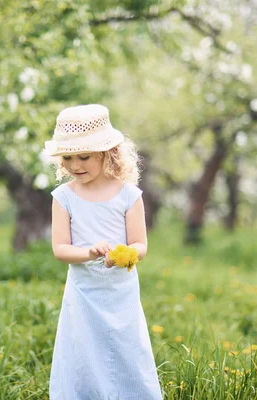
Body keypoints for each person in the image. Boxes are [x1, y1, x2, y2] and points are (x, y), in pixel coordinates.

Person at [45, 104, 163, 399]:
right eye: (68, 157)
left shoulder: (128, 195)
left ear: (106, 153)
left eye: (84, 156)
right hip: (83, 292)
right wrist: (89, 253)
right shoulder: (63, 197)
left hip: (120, 290)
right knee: (83, 350)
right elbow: (60, 249)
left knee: (125, 347)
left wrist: (123, 253)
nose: (75, 165)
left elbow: (141, 244)